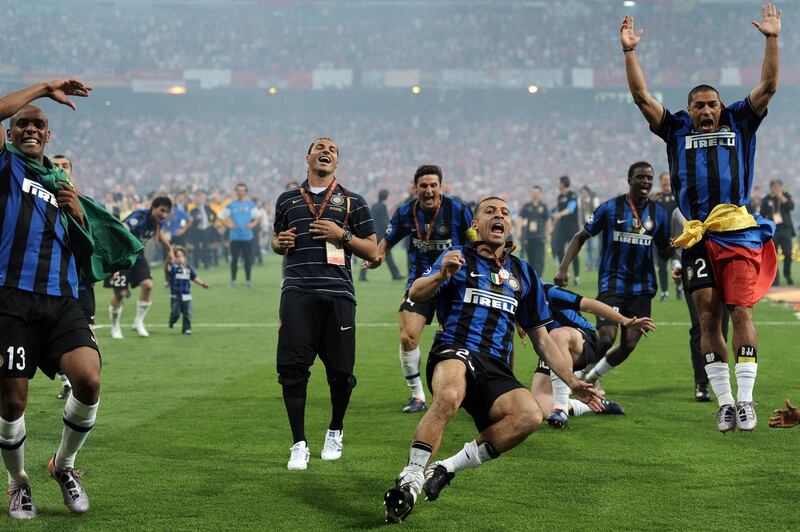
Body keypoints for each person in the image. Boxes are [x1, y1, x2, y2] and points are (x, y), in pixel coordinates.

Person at [382, 197, 602, 524]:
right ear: (476, 225)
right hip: (455, 349)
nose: (499, 216)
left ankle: (447, 467)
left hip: (494, 366)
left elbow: (541, 337)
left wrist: (571, 381)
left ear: (509, 227)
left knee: (529, 415)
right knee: (451, 394)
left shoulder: (523, 272)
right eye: (490, 211)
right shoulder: (457, 257)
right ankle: (412, 478)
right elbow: (415, 292)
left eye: (504, 213)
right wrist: (442, 274)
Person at [621, 4, 781, 431]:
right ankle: (724, 402)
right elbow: (641, 98)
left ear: (719, 105)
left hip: (737, 234)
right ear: (689, 110)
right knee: (708, 318)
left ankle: (746, 400)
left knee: (741, 313)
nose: (706, 111)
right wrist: (629, 53)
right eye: (698, 106)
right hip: (696, 236)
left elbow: (768, 86)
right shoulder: (675, 130)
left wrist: (771, 39)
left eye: (711, 104)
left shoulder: (740, 121)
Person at [0, 79, 99, 519]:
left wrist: (77, 214)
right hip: (11, 298)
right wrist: (42, 89)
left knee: (89, 380)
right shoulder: (5, 168)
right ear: (9, 132)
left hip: (61, 299)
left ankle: (65, 465)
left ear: (50, 136)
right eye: (23, 123)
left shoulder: (61, 184)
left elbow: (85, 252)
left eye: (39, 124)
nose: (31, 128)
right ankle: (17, 483)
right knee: (12, 402)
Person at [273, 137, 377, 470]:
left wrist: (341, 235)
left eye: (332, 149)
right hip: (297, 292)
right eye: (320, 147)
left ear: (337, 162)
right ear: (308, 157)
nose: (326, 151)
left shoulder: (354, 202)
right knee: (292, 371)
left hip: (338, 295)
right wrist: (279, 242)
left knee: (342, 374)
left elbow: (373, 251)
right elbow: (278, 241)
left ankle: (335, 430)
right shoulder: (287, 199)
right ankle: (299, 443)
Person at [363, 165, 472, 413]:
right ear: (416, 188)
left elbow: (475, 241)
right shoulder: (405, 212)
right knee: (407, 335)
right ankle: (418, 396)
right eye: (424, 185)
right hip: (421, 282)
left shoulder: (458, 209)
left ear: (440, 187)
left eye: (433, 185)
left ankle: (465, 392)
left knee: (458, 341)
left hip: (455, 284)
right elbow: (387, 241)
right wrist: (377, 258)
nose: (429, 190)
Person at [555, 162, 671, 388]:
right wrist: (563, 268)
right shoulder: (610, 208)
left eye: (649, 177)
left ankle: (593, 376)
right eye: (640, 177)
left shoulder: (659, 213)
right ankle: (571, 376)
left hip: (642, 289)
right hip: (612, 285)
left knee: (629, 345)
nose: (645, 181)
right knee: (606, 337)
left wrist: (677, 245)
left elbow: (664, 253)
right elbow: (581, 237)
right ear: (630, 180)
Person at [532, 282, 654, 428]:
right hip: (551, 348)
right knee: (541, 406)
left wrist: (624, 320)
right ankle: (595, 405)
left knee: (557, 335)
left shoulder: (546, 291)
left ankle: (560, 409)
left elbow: (589, 304)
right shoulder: (513, 297)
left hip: (582, 340)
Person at [671, 208, 730, 403]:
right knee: (701, 326)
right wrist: (677, 264)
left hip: (722, 265)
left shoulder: (728, 206)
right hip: (694, 267)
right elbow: (675, 240)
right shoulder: (680, 211)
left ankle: (721, 382)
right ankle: (701, 383)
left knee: (722, 327)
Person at [106, 197, 173, 339]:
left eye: (167, 212)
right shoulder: (140, 216)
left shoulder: (156, 222)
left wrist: (169, 248)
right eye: (162, 210)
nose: (164, 215)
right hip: (122, 257)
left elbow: (158, 233)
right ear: (153, 208)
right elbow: (124, 227)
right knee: (120, 294)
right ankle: (115, 326)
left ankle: (138, 322)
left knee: (148, 285)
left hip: (138, 257)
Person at [359, 189, 403, 282]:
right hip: (380, 235)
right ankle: (396, 275)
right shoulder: (383, 206)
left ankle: (362, 275)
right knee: (387, 255)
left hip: (373, 233)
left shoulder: (374, 206)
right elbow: (384, 222)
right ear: (386, 197)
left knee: (368, 254)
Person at [221, 183, 259, 288]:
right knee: (234, 260)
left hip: (247, 237)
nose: (240, 192)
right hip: (235, 237)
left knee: (247, 260)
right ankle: (233, 281)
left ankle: (248, 280)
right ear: (236, 192)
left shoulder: (250, 204)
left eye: (242, 190)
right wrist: (229, 225)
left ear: (245, 192)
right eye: (238, 190)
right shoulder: (231, 204)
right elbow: (221, 216)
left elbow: (258, 217)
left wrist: (252, 224)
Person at [165, 246, 210, 335]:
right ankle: (172, 321)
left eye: (182, 256)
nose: (180, 258)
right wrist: (170, 257)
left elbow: (194, 277)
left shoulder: (188, 268)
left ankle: (186, 329)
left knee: (187, 313)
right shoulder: (173, 268)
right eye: (177, 256)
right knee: (176, 313)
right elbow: (167, 267)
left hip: (187, 296)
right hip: (175, 297)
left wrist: (203, 284)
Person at [760, 179, 794, 285]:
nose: (776, 189)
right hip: (773, 230)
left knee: (788, 254)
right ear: (771, 188)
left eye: (778, 186)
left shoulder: (786, 196)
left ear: (781, 187)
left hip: (785, 229)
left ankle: (787, 274)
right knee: (773, 255)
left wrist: (781, 196)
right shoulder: (766, 199)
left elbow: (791, 206)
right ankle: (775, 278)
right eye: (774, 187)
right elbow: (762, 214)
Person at [652, 172, 680, 301]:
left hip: (677, 237)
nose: (666, 182)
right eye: (664, 180)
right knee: (662, 266)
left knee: (678, 265)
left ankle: (679, 288)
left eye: (668, 179)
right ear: (660, 182)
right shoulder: (656, 198)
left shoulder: (678, 197)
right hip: (661, 238)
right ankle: (665, 292)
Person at [551, 176, 580, 285]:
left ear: (563, 183)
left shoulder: (572, 195)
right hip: (562, 227)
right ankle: (564, 272)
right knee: (558, 249)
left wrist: (559, 214)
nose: (558, 185)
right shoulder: (559, 197)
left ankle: (577, 276)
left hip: (572, 228)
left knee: (573, 252)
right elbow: (558, 211)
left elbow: (570, 209)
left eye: (559, 182)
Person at [515, 185, 549, 276]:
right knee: (531, 258)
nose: (535, 195)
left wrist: (548, 234)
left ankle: (539, 276)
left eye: (537, 193)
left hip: (540, 236)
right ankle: (534, 276)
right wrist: (518, 231)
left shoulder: (544, 206)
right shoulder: (527, 206)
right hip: (529, 236)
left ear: (540, 194)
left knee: (540, 258)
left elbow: (548, 221)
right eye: (533, 193)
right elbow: (520, 218)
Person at [578, 186, 600, 272]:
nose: (583, 194)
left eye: (584, 192)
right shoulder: (580, 201)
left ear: (588, 191)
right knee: (587, 247)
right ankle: (588, 265)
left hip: (594, 226)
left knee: (595, 247)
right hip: (585, 226)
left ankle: (597, 264)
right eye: (582, 192)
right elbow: (580, 214)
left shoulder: (594, 200)